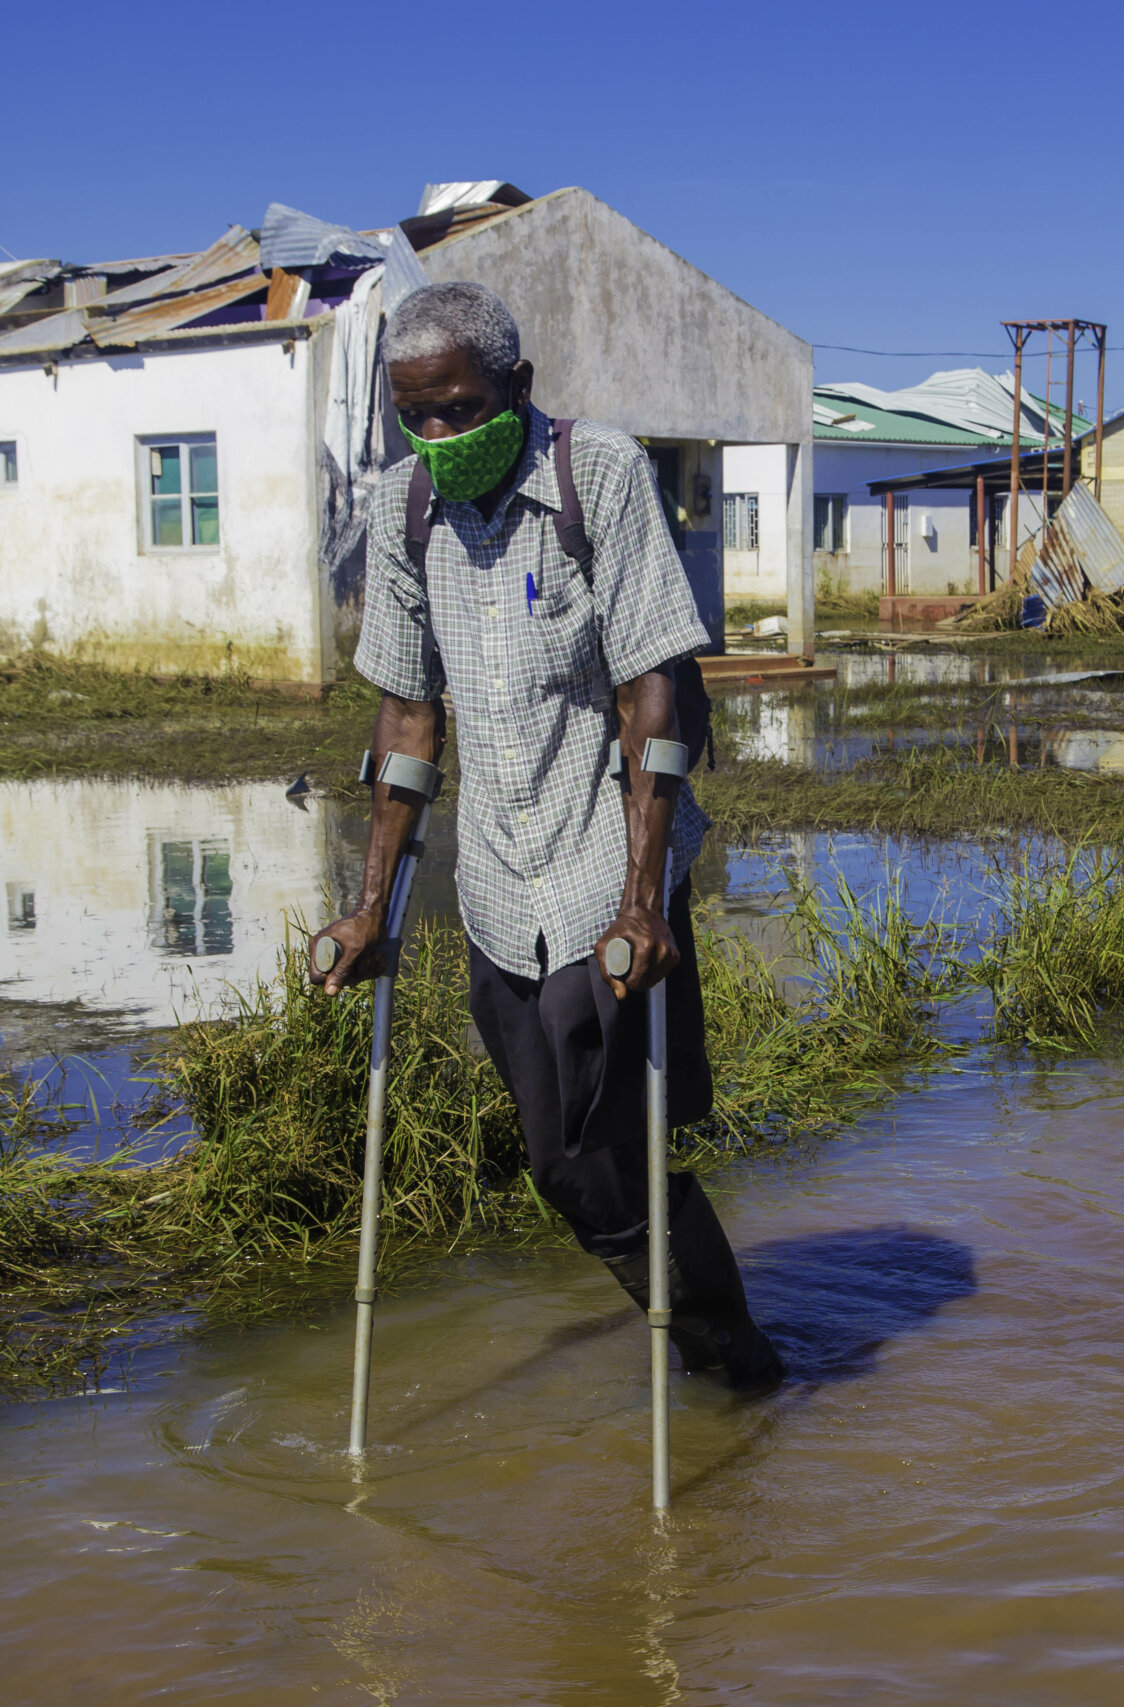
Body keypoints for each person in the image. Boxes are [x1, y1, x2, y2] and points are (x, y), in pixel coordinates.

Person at [307, 281, 784, 1390]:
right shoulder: (400, 508)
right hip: (494, 883)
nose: (436, 436)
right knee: (565, 1170)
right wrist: (368, 908)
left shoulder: (598, 474)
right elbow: (407, 710)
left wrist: (642, 897)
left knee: (605, 1144)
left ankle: (732, 1362)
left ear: (516, 389)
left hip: (598, 862)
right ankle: (729, 1353)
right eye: (411, 414)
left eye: (460, 409)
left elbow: (652, 693)